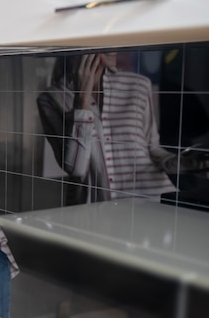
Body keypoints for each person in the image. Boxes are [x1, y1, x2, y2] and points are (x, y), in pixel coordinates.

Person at [37, 52, 178, 205]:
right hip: (93, 213)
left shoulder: (139, 85)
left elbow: (153, 149)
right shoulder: (51, 98)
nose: (114, 48)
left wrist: (183, 163)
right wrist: (82, 98)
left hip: (148, 205)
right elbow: (76, 169)